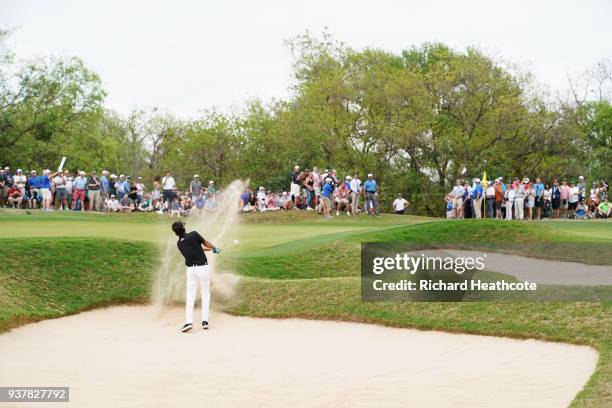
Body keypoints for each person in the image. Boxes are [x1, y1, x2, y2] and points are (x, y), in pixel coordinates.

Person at [172, 221, 220, 332]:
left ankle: (188, 322)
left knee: (190, 295)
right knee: (205, 294)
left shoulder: (179, 243)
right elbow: (205, 243)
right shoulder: (193, 234)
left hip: (191, 270)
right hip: (203, 268)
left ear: (176, 233)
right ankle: (205, 322)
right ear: (184, 228)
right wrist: (214, 248)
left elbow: (196, 248)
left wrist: (211, 249)